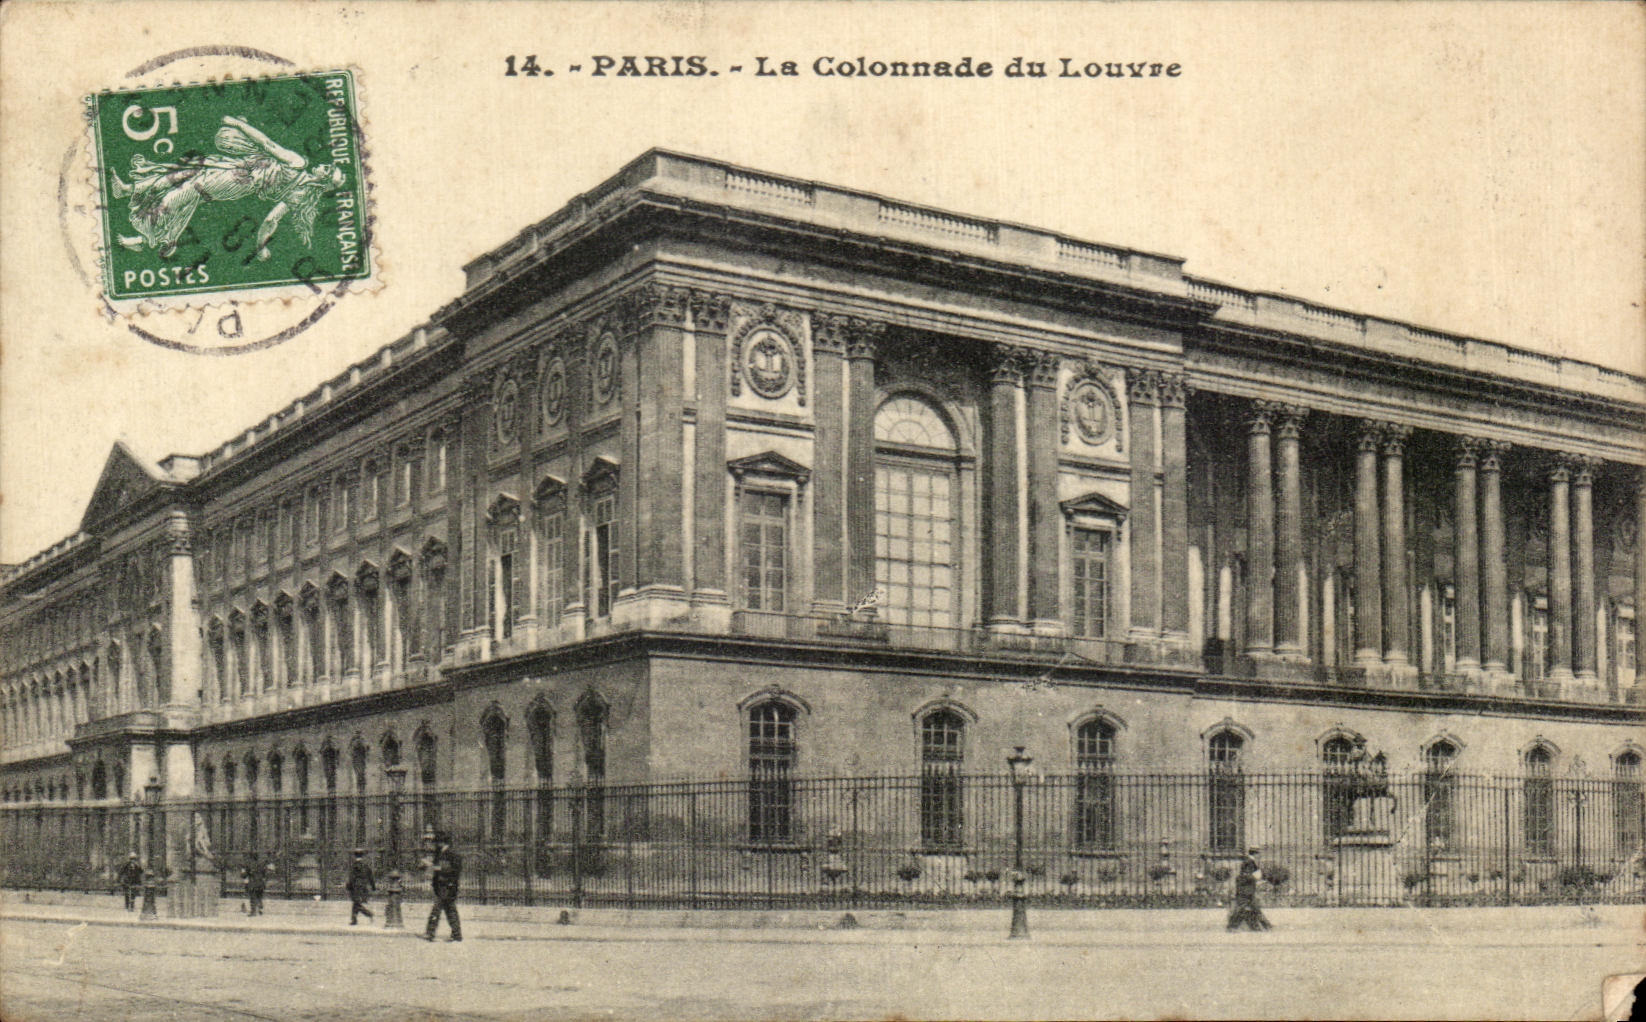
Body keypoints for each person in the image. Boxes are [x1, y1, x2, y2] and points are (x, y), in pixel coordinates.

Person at [109, 114, 346, 260]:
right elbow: (271, 221)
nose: (323, 166)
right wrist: (261, 247)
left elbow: (267, 143)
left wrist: (238, 125)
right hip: (241, 172)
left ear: (323, 181)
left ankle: (143, 238)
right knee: (187, 176)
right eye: (327, 166)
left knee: (188, 190)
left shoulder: (298, 163)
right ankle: (132, 193)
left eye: (326, 170)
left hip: (239, 178)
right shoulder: (300, 195)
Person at [423, 832, 462, 942]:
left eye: (437, 842)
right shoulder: (440, 853)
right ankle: (456, 934)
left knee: (437, 909)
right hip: (441, 886)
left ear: (442, 842)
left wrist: (437, 868)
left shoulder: (452, 854)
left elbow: (455, 870)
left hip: (447, 886)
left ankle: (430, 933)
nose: (435, 845)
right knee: (450, 910)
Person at [1226, 847, 1272, 932]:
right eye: (1259, 853)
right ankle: (1231, 927)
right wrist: (1257, 879)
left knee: (1255, 908)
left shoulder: (1249, 861)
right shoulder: (1249, 862)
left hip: (1248, 889)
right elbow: (1246, 875)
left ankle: (1267, 926)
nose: (1260, 855)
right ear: (1255, 854)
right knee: (1243, 910)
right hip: (1245, 890)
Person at [347, 848, 376, 925]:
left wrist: (349, 886)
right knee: (356, 903)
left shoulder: (354, 865)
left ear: (355, 855)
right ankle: (354, 919)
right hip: (364, 887)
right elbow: (370, 876)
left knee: (357, 903)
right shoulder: (366, 865)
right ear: (362, 855)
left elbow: (352, 877)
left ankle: (369, 914)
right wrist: (373, 886)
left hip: (356, 886)